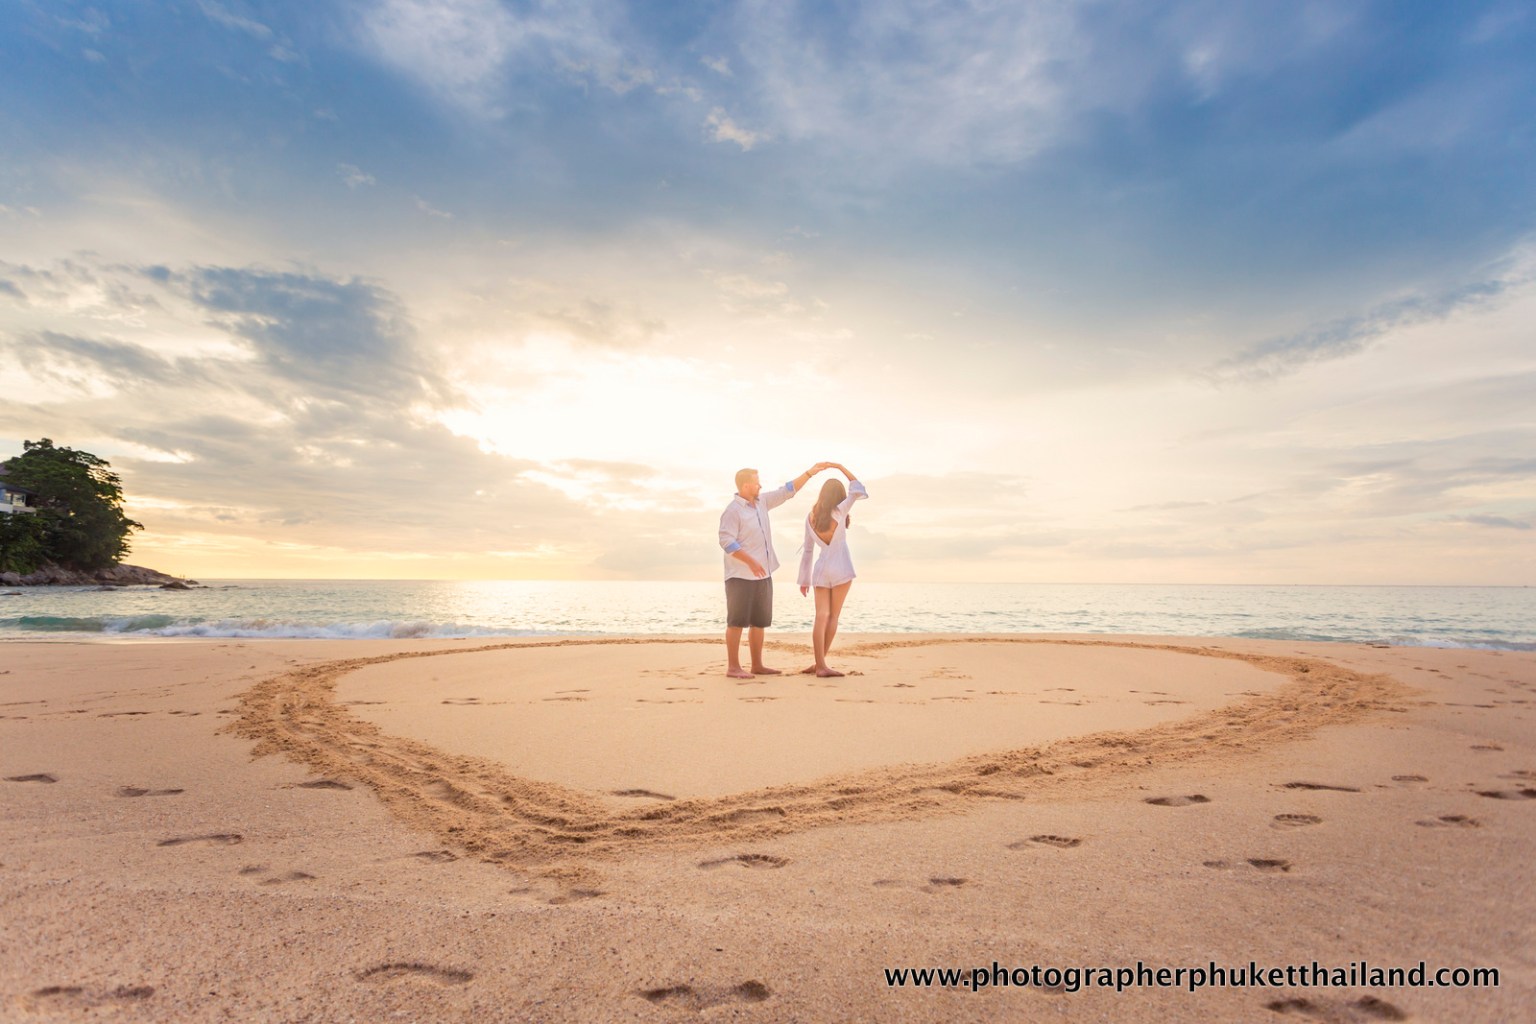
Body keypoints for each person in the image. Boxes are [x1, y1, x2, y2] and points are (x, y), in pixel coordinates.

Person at [719, 462, 830, 679]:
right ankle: (733, 667)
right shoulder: (733, 511)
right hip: (740, 575)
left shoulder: (762, 502)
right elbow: (726, 541)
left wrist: (809, 473)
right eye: (756, 482)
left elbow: (787, 491)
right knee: (736, 621)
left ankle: (757, 665)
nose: (760, 485)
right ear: (745, 486)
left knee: (759, 621)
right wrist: (749, 561)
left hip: (764, 574)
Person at [797, 464, 867, 677]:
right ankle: (821, 665)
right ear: (839, 496)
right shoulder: (840, 510)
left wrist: (804, 580)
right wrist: (840, 467)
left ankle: (819, 663)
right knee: (833, 617)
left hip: (820, 570)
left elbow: (808, 551)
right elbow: (859, 488)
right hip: (841, 568)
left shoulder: (810, 518)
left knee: (821, 617)